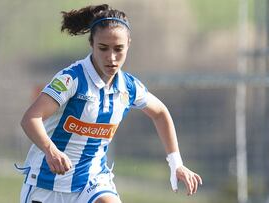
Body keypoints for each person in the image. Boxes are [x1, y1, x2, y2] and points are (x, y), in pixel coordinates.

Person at [17, 4, 202, 203]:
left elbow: (160, 113)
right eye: (103, 48)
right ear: (91, 44)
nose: (111, 58)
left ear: (129, 44)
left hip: (92, 181)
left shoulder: (128, 87)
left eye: (118, 49)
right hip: (47, 184)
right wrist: (51, 151)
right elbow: (30, 119)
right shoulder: (72, 79)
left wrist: (177, 164)